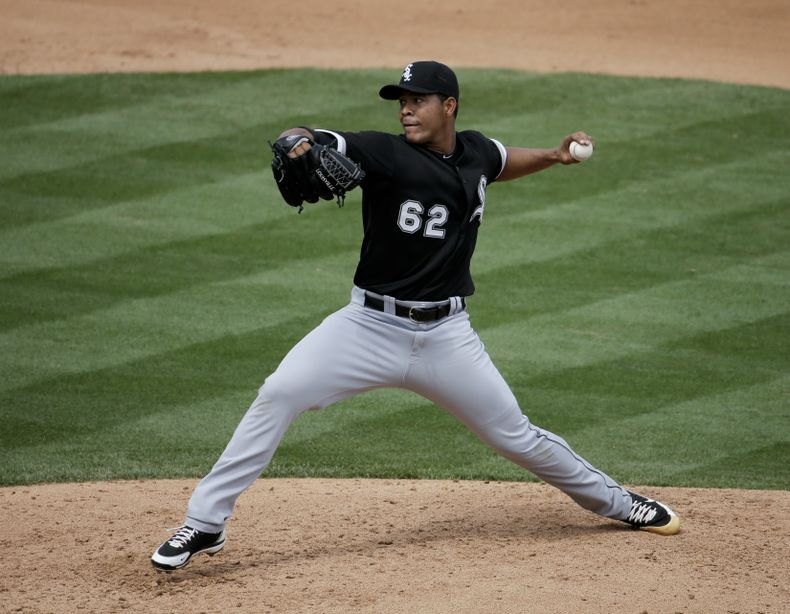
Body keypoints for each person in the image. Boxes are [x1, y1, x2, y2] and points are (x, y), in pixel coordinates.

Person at [151, 60, 680, 571]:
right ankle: (206, 521)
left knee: (515, 435)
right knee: (280, 392)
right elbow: (315, 135)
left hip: (447, 336)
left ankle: (618, 503)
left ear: (448, 106)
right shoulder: (383, 153)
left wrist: (553, 155)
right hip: (367, 328)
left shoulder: (473, 151)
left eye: (417, 101)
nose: (405, 111)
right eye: (401, 102)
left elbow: (500, 161)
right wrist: (298, 142)